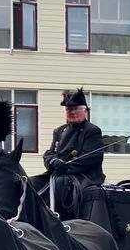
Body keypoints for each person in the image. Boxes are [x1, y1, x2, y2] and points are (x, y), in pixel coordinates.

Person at [42, 88, 105, 218]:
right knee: (31, 183)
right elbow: (50, 153)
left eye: (75, 109)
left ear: (85, 111)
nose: (72, 112)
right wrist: (52, 162)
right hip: (57, 173)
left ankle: (55, 219)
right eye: (69, 109)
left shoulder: (92, 130)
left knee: (60, 184)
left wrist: (65, 167)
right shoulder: (59, 131)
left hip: (82, 175)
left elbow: (92, 157)